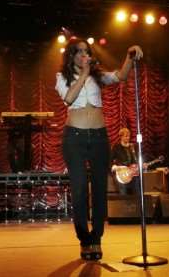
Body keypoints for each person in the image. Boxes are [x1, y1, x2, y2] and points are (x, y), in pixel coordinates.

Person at [55, 38, 142, 260]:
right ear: (71, 55)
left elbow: (120, 76)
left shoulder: (97, 76)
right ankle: (84, 239)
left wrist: (129, 56)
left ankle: (97, 238)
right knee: (79, 189)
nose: (84, 55)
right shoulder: (62, 77)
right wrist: (84, 73)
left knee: (100, 189)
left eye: (87, 51)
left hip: (99, 137)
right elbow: (69, 98)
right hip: (74, 137)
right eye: (79, 51)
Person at [110, 127, 137, 195]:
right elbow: (109, 160)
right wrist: (114, 166)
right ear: (121, 137)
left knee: (136, 192)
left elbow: (135, 161)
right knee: (123, 193)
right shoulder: (116, 147)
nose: (128, 138)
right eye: (126, 136)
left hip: (132, 174)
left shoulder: (132, 147)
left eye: (129, 136)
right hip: (121, 174)